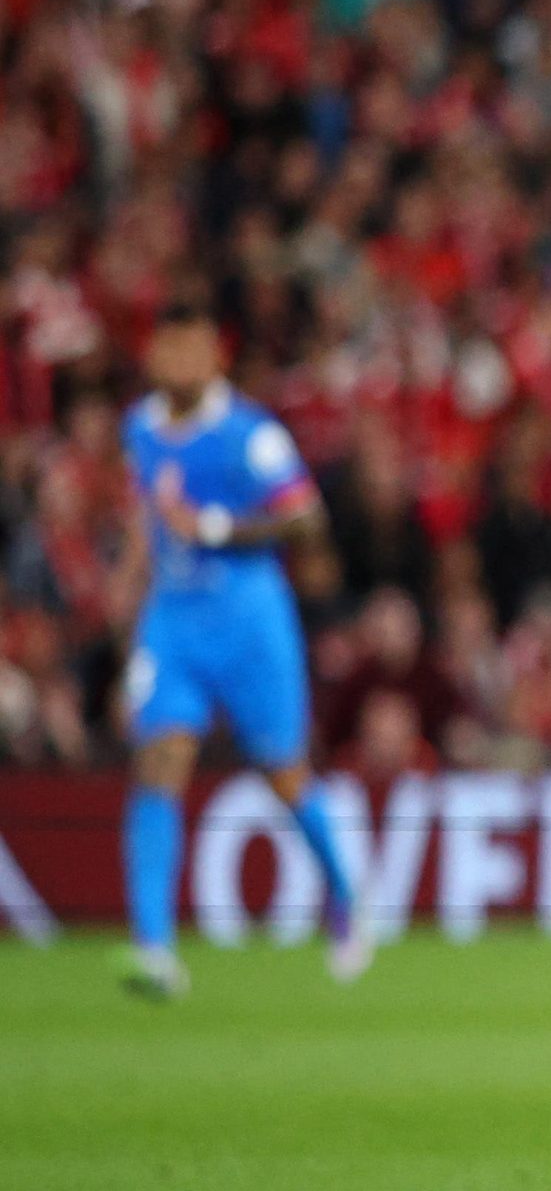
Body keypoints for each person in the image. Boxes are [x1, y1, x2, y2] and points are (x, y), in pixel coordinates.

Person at [116, 301, 370, 996]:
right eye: (169, 348)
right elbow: (148, 521)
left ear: (216, 357)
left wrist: (215, 528)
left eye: (192, 349)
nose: (179, 362)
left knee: (283, 774)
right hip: (172, 621)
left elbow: (305, 519)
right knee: (159, 760)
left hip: (250, 622)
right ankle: (153, 948)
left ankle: (345, 892)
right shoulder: (139, 427)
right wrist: (128, 606)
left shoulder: (249, 435)